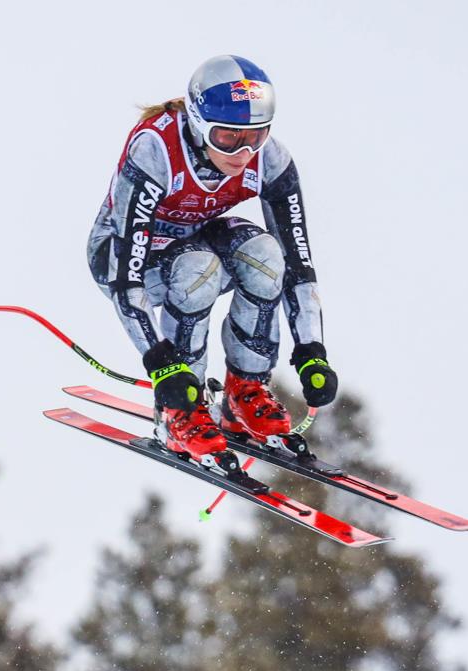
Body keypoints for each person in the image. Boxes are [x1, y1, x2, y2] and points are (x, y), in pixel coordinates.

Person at [86, 54, 338, 477]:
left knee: (265, 257)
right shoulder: (155, 150)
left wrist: (312, 349)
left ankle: (245, 390)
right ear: (200, 125)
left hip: (191, 240)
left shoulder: (270, 159)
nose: (242, 153)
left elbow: (298, 264)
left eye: (255, 137)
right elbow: (126, 279)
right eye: (227, 137)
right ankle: (178, 412)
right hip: (124, 258)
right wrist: (163, 365)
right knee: (197, 268)